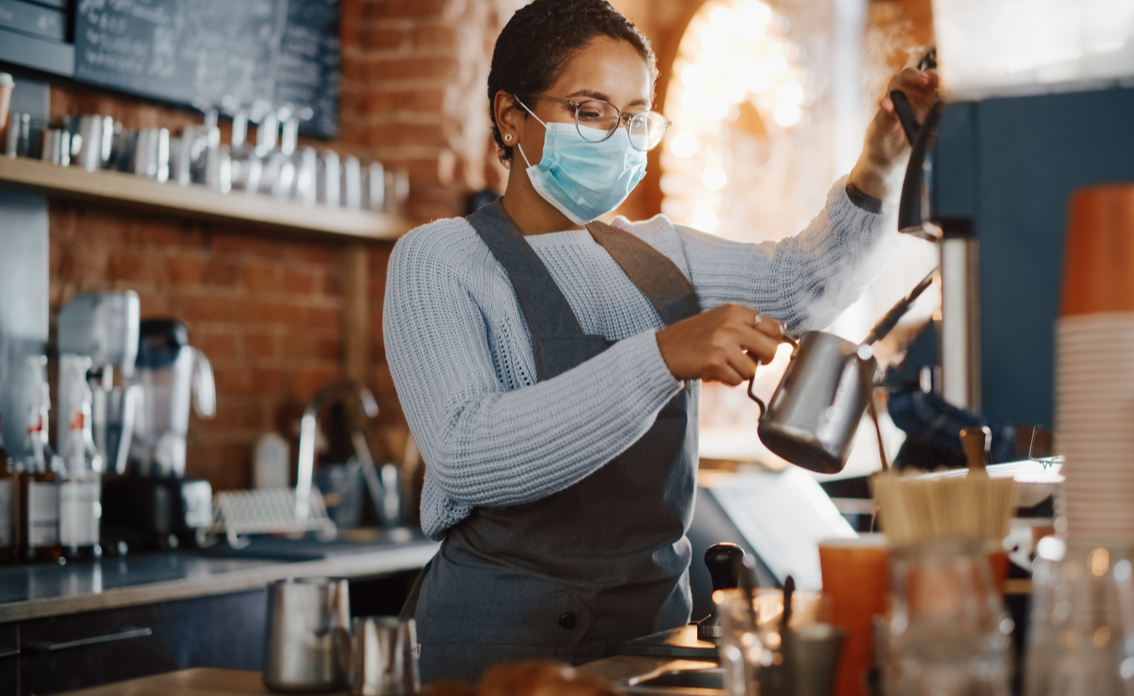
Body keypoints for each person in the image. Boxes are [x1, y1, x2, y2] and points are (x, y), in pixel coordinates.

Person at [383, 0, 939, 683]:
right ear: (509, 117)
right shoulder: (439, 259)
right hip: (495, 649)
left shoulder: (661, 251)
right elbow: (468, 455)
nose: (619, 138)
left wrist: (881, 164)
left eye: (636, 117)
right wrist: (662, 356)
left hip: (648, 634)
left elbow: (804, 286)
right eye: (591, 111)